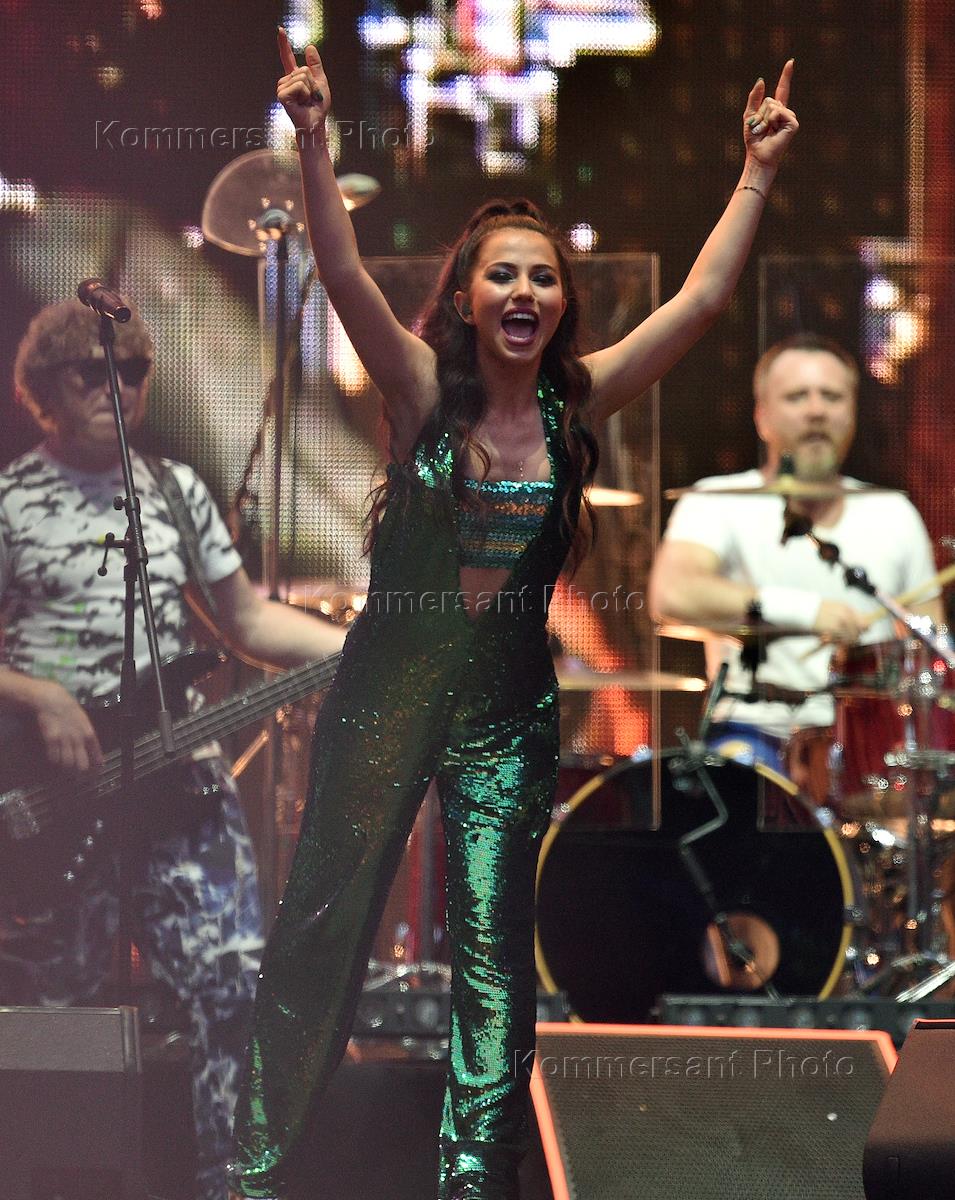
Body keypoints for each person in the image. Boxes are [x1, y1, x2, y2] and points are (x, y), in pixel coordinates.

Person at [229, 29, 798, 1200]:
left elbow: (698, 304)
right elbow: (340, 270)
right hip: (386, 695)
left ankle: (473, 1185)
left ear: (561, 302)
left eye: (542, 277)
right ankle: (249, 1176)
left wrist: (755, 172)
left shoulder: (575, 404)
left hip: (503, 715)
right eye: (503, 275)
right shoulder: (416, 391)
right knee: (319, 936)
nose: (524, 292)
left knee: (495, 966)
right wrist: (316, 140)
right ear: (466, 296)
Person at [0, 299, 346, 1200]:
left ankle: (231, 1188)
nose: (117, 389)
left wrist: (361, 648)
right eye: (93, 373)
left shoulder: (173, 488)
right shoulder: (10, 501)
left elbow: (245, 621)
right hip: (55, 802)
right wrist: (39, 697)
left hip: (179, 788)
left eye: (132, 372)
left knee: (237, 987)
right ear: (42, 391)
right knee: (60, 1014)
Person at [649, 332, 944, 774]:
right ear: (762, 417)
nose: (816, 410)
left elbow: (930, 645)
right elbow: (673, 593)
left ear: (853, 412)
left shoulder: (894, 512)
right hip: (754, 734)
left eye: (832, 396)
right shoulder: (717, 499)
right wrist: (807, 611)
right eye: (796, 396)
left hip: (870, 745)